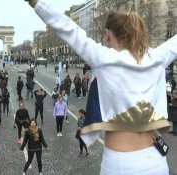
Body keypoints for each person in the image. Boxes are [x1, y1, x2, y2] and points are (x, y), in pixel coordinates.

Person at [25, 0, 176, 173]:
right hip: (155, 159)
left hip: (121, 162)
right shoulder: (157, 57)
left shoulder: (104, 58)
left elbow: (66, 27)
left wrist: (36, 2)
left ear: (108, 34)